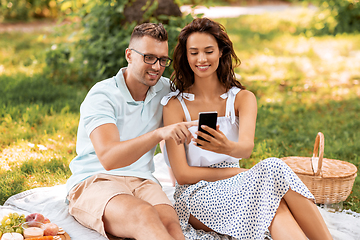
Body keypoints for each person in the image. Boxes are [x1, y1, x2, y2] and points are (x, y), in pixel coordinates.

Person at [161, 17, 333, 240]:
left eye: (208, 51)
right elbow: (183, 175)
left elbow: (245, 149)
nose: (201, 59)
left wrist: (226, 147)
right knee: (272, 176)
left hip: (240, 185)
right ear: (186, 55)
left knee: (273, 204)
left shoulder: (242, 99)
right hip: (196, 196)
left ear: (221, 52)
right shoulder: (175, 105)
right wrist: (246, 173)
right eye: (194, 52)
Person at [65, 22, 196, 240]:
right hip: (96, 179)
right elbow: (109, 158)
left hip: (143, 181)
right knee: (143, 214)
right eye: (148, 57)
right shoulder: (102, 96)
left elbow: (174, 137)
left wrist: (177, 180)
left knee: (171, 225)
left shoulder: (165, 89)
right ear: (129, 55)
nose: (156, 66)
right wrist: (158, 134)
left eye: (162, 60)